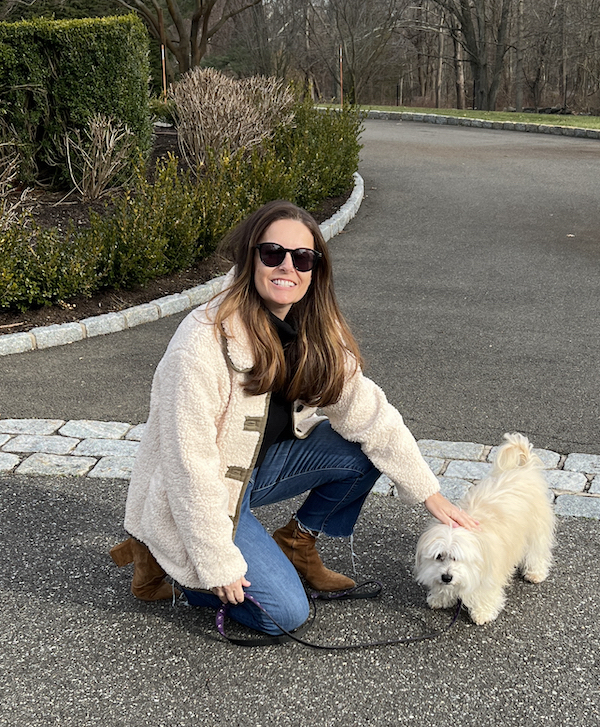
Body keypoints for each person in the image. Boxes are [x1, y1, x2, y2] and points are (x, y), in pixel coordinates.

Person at [110, 200, 477, 636]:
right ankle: (164, 555)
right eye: (273, 253)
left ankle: (297, 541)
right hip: (204, 490)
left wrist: (429, 493)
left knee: (364, 452)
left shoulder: (313, 329)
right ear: (250, 258)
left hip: (258, 472)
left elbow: (370, 412)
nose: (288, 266)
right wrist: (215, 564)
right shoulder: (201, 343)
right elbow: (189, 467)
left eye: (302, 257)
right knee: (284, 614)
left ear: (314, 269)